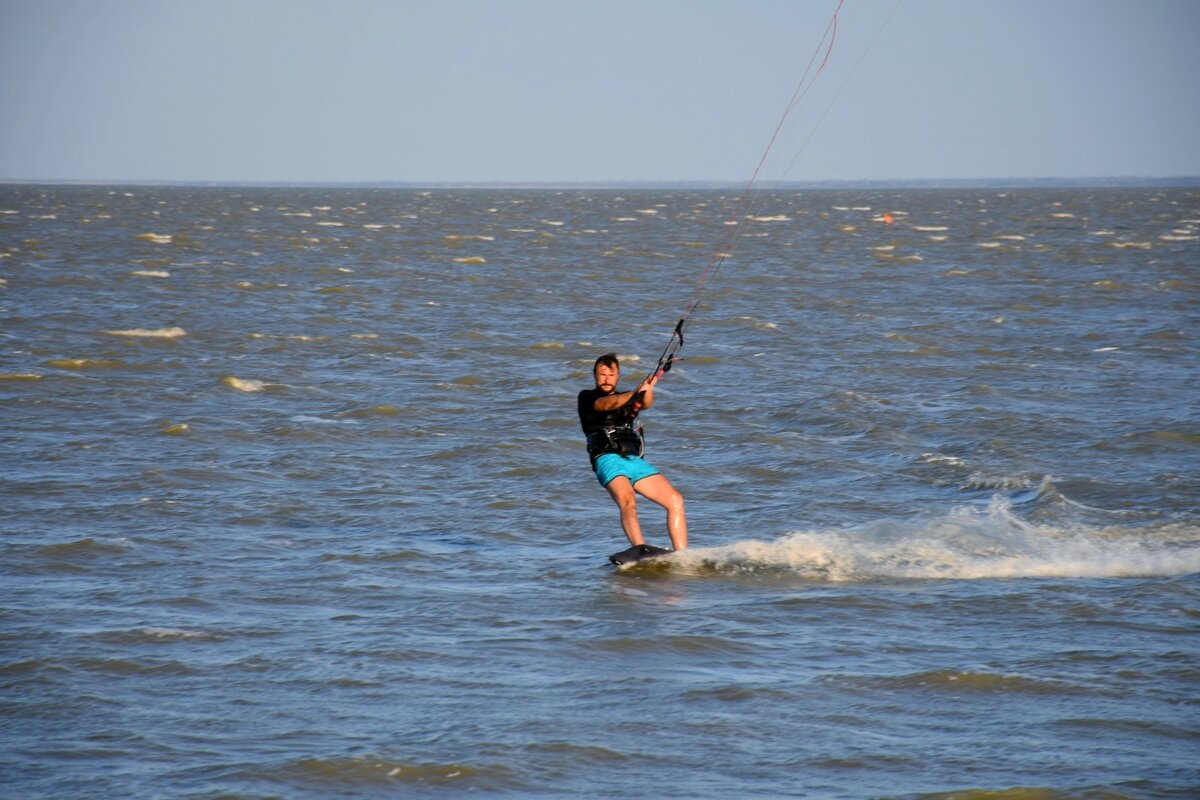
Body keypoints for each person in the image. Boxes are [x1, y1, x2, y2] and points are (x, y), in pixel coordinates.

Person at [577, 353, 688, 557]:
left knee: (675, 500)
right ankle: (640, 550)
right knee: (628, 500)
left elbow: (646, 403)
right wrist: (634, 392)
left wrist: (646, 389)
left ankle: (683, 556)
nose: (606, 378)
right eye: (602, 374)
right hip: (607, 458)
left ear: (618, 376)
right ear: (594, 375)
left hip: (633, 460)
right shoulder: (587, 397)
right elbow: (606, 404)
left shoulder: (628, 398)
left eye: (611, 374)